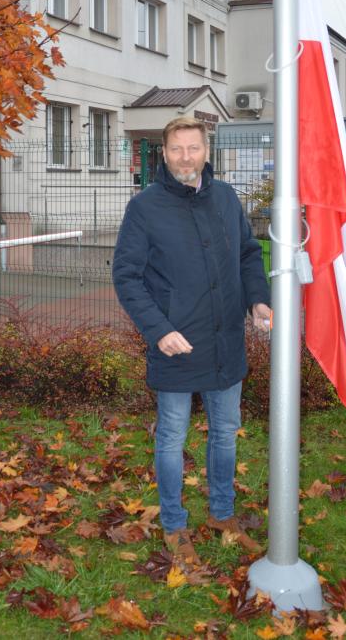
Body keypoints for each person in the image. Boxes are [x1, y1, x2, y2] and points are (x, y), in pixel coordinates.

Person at [112, 117, 271, 563]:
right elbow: (126, 276)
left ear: (206, 150)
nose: (186, 157)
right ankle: (174, 525)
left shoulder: (224, 197)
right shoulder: (145, 208)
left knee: (224, 432)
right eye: (177, 149)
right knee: (172, 437)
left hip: (225, 342)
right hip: (176, 345)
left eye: (193, 148)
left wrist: (258, 300)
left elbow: (246, 253)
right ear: (164, 154)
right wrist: (159, 331)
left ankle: (222, 514)